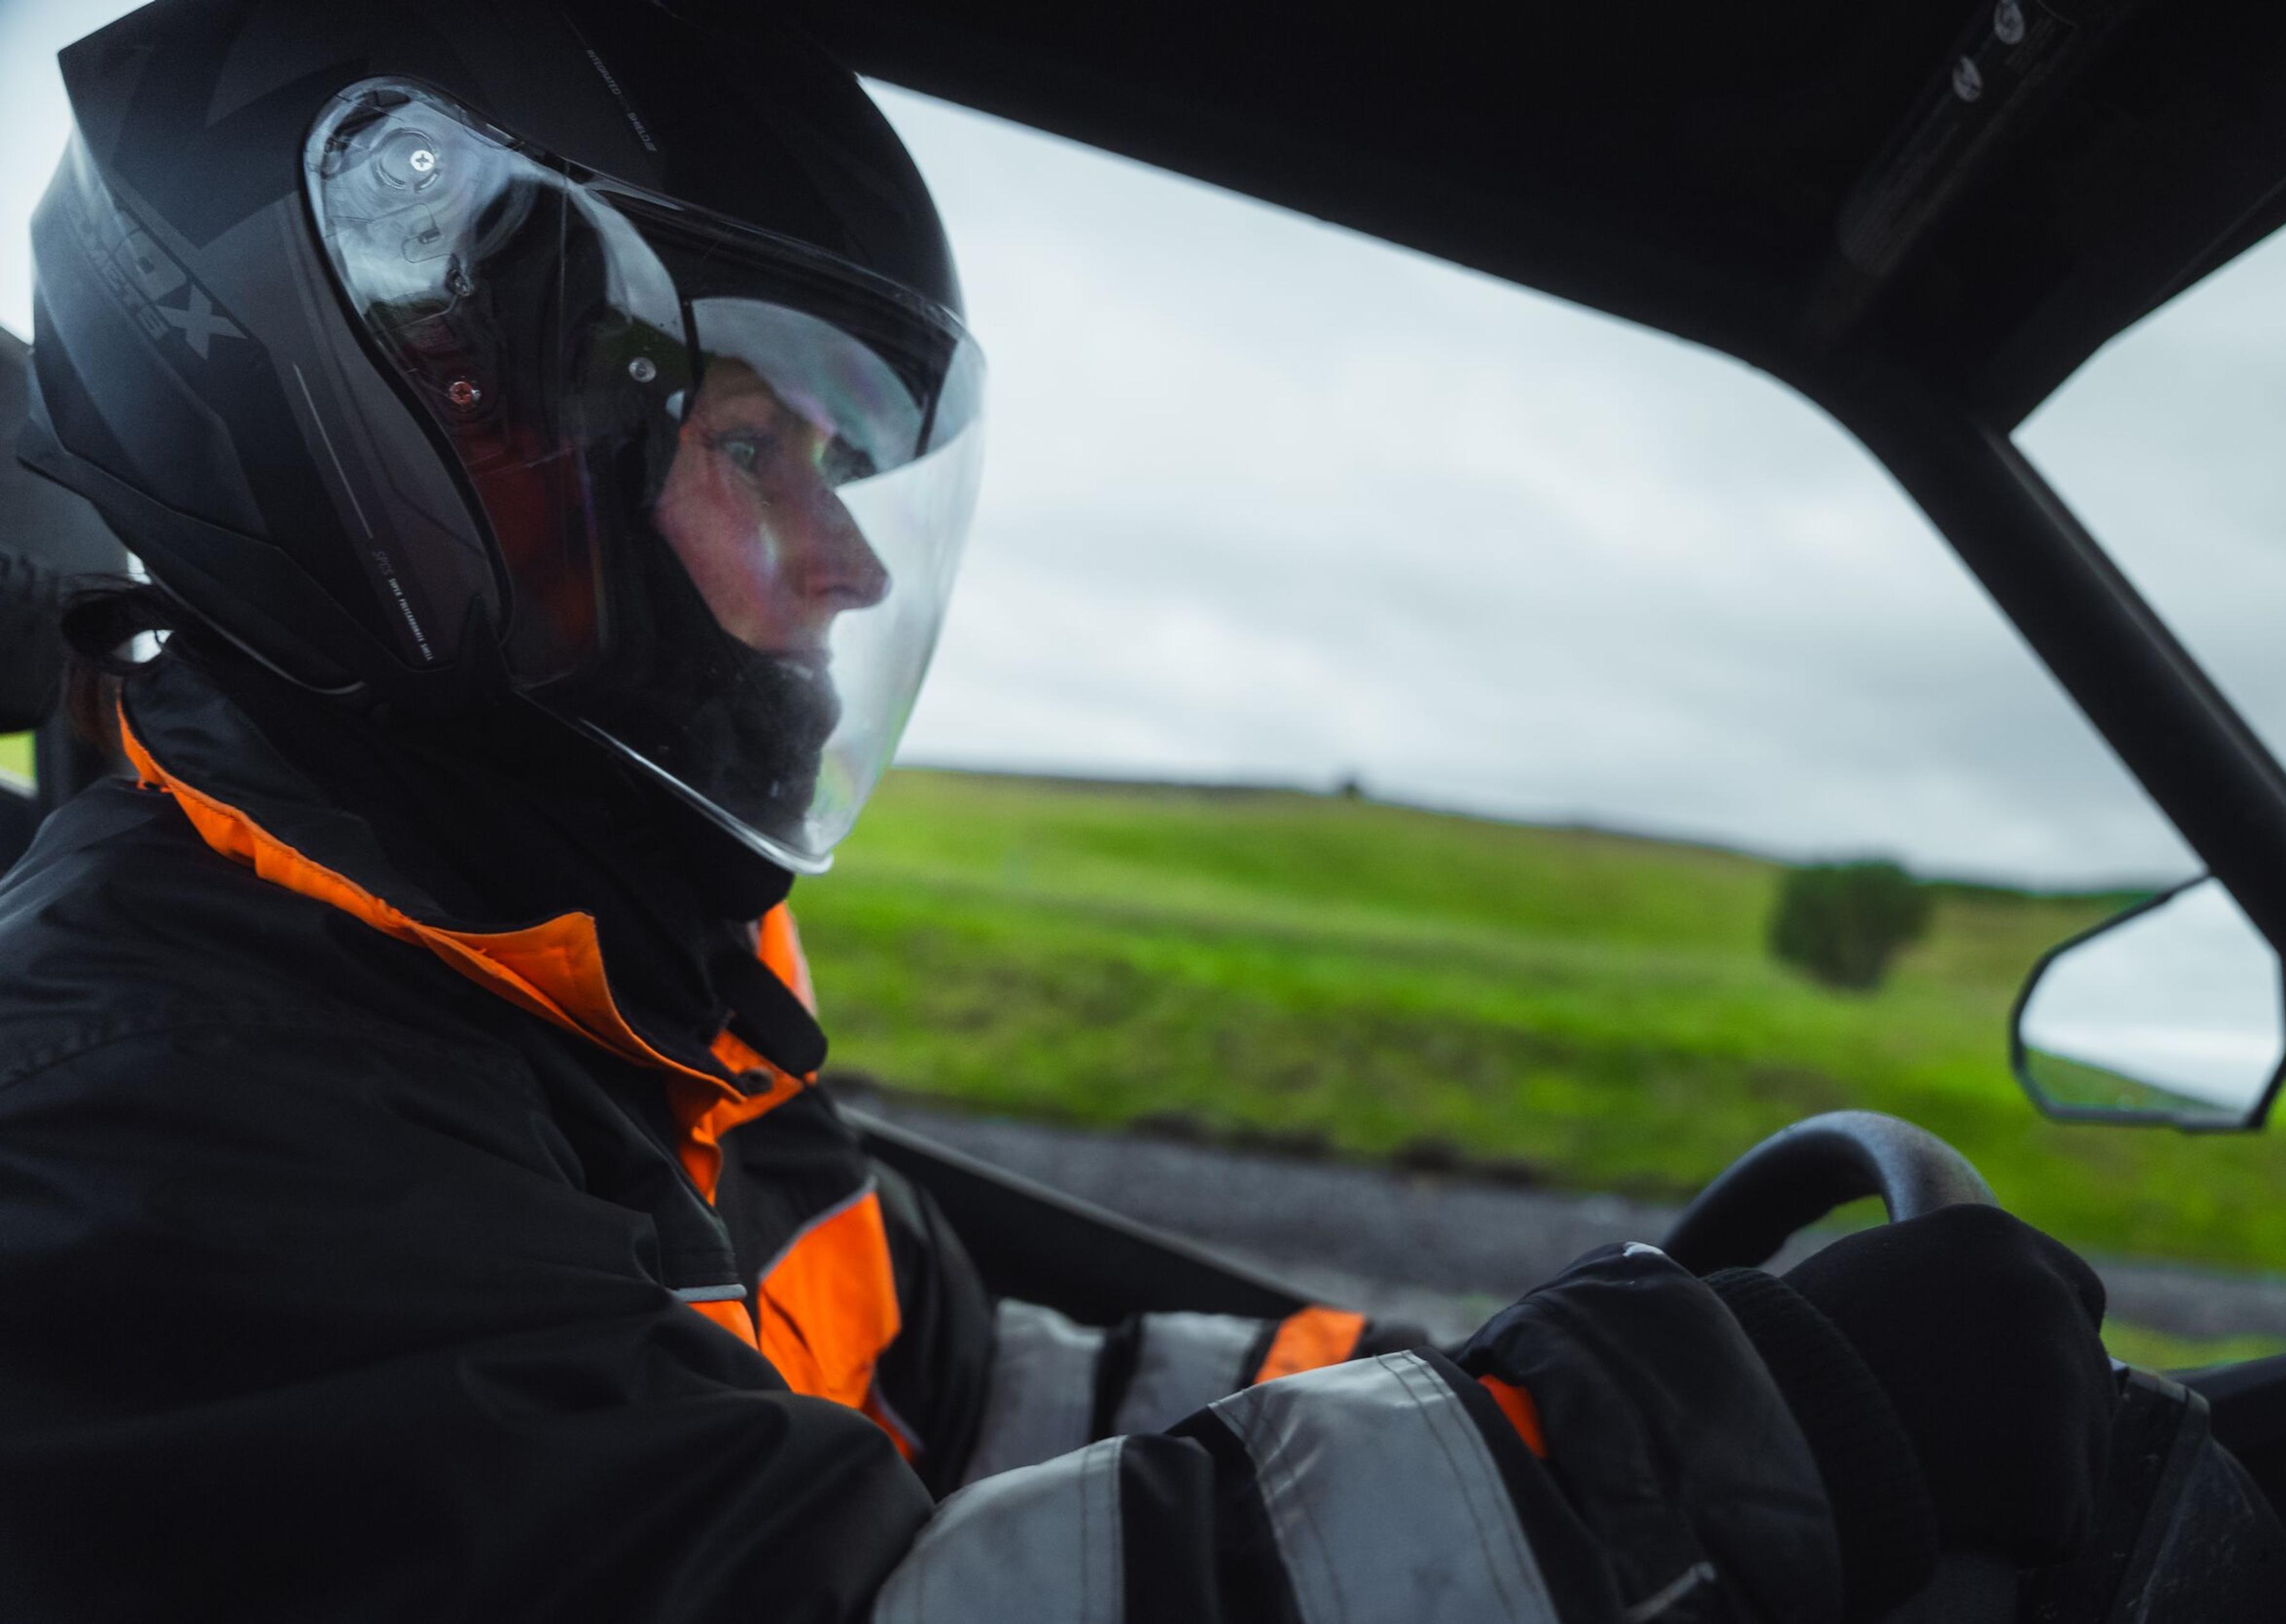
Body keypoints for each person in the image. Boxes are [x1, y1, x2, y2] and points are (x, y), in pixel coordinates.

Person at [0, 2, 2119, 1618]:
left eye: (849, 473)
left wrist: (1461, 1370)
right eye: (762, 449)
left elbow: (985, 1386)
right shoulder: (157, 1125)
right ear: (442, 459)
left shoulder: (606, 987)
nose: (840, 561)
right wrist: (1670, 1442)